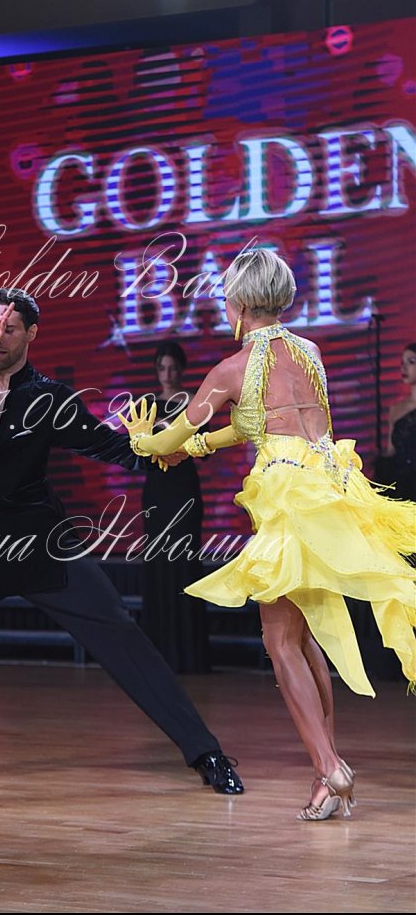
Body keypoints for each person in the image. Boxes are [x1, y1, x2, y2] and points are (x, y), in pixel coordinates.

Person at [0, 288, 243, 794]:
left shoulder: (48, 397)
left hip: (41, 548)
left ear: (31, 334)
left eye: (9, 328)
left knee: (121, 635)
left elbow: (108, 444)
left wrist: (162, 449)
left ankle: (206, 752)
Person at [120, 249, 416, 821]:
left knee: (280, 641)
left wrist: (144, 441)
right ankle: (326, 776)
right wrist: (200, 447)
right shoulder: (310, 352)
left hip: (288, 500)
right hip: (329, 490)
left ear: (238, 301)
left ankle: (331, 767)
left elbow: (175, 433)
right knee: (303, 639)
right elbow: (260, 422)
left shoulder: (231, 370)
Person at [140, 340, 209, 673]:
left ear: (181, 369)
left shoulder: (195, 404)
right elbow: (137, 449)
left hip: (183, 491)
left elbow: (204, 448)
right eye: (161, 368)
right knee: (157, 565)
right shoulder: (147, 405)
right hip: (156, 491)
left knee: (184, 565)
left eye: (172, 368)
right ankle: (158, 654)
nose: (166, 374)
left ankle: (188, 655)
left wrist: (179, 446)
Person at [386, 343, 416, 502]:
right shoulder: (396, 410)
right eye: (402, 363)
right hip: (403, 488)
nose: (404, 368)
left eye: (411, 362)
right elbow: (391, 452)